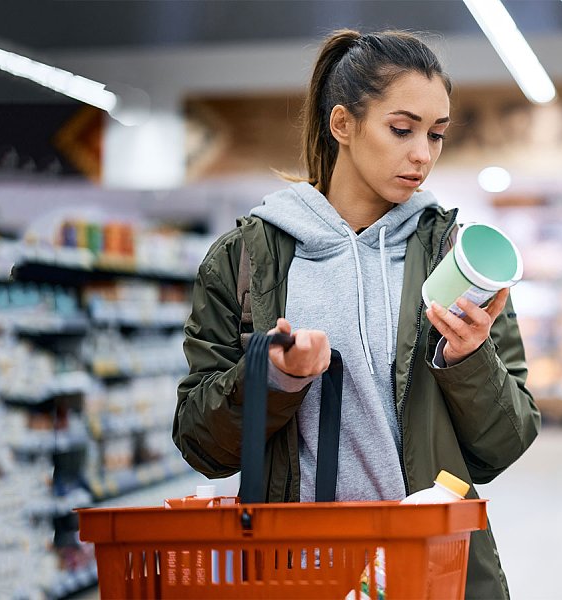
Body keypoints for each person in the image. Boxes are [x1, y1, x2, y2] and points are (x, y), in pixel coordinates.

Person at [173, 29, 540, 599]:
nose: (422, 154)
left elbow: (505, 443)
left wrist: (468, 359)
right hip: (298, 571)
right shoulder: (247, 259)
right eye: (402, 129)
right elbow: (201, 443)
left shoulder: (455, 258)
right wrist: (275, 379)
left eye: (436, 134)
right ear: (342, 124)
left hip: (429, 570)